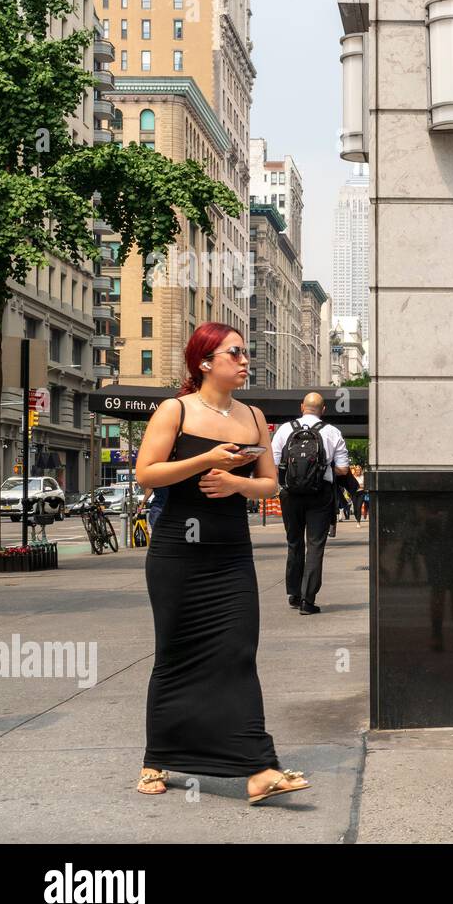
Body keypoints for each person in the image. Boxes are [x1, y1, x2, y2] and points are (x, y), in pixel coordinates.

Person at [132, 322, 310, 804]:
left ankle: (257, 769)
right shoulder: (176, 409)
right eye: (235, 353)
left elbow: (271, 484)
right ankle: (156, 759)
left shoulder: (253, 417)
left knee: (237, 653)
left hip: (231, 553)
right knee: (174, 656)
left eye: (245, 352)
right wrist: (205, 459)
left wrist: (238, 485)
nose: (245, 360)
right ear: (205, 362)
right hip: (177, 552)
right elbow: (146, 473)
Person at [272, 392, 350, 615]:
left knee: (294, 542)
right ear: (323, 410)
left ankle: (294, 594)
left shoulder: (285, 429)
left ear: (301, 407)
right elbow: (343, 469)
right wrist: (322, 469)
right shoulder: (332, 432)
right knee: (315, 545)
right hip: (320, 494)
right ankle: (308, 600)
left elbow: (273, 462)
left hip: (290, 494)